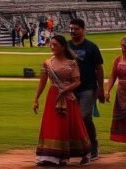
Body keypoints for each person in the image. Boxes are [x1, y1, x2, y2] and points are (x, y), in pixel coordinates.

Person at [33, 35, 91, 166]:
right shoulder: (47, 63)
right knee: (53, 125)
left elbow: (77, 82)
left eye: (55, 45)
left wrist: (66, 90)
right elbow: (42, 83)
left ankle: (84, 153)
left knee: (71, 125)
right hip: (53, 96)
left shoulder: (72, 63)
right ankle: (51, 156)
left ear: (63, 47)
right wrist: (36, 99)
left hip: (68, 97)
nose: (52, 47)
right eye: (51, 44)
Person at [68, 18, 105, 160]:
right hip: (71, 88)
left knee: (84, 117)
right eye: (71, 29)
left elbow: (99, 69)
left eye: (76, 29)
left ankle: (93, 143)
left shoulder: (91, 47)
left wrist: (100, 88)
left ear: (83, 30)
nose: (73, 31)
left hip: (87, 87)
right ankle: (74, 147)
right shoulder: (66, 46)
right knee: (70, 119)